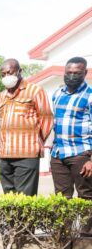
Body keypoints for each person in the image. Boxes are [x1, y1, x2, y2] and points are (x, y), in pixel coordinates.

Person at [0, 59, 53, 196]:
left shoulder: (35, 91)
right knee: (8, 198)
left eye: (9, 73)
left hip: (27, 154)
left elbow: (46, 119)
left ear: (19, 72)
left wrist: (36, 141)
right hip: (5, 154)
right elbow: (2, 122)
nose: (6, 77)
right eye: (3, 74)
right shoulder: (1, 96)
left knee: (25, 199)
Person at [50, 57, 92, 236]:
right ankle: (63, 235)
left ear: (85, 73)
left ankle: (86, 236)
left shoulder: (90, 95)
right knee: (61, 197)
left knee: (86, 195)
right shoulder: (57, 93)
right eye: (69, 73)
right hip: (58, 153)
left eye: (77, 73)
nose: (72, 76)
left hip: (81, 153)